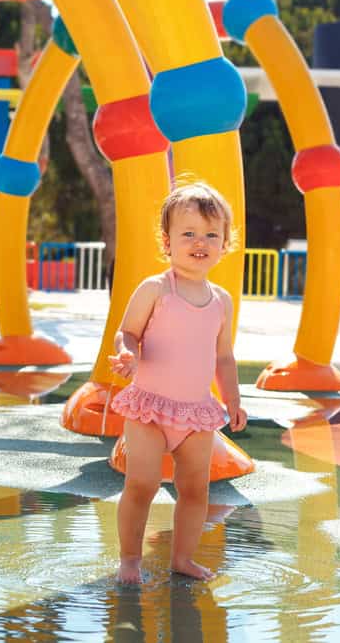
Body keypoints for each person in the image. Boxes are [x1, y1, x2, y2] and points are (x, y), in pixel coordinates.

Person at [107, 181, 248, 584]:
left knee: (195, 491)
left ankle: (182, 558)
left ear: (225, 244)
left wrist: (233, 399)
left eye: (210, 234)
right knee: (142, 484)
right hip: (149, 406)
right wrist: (128, 354)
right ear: (167, 242)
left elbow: (223, 355)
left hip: (196, 412)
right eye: (188, 233)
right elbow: (127, 332)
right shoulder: (155, 289)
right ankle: (130, 560)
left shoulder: (221, 300)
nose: (199, 242)